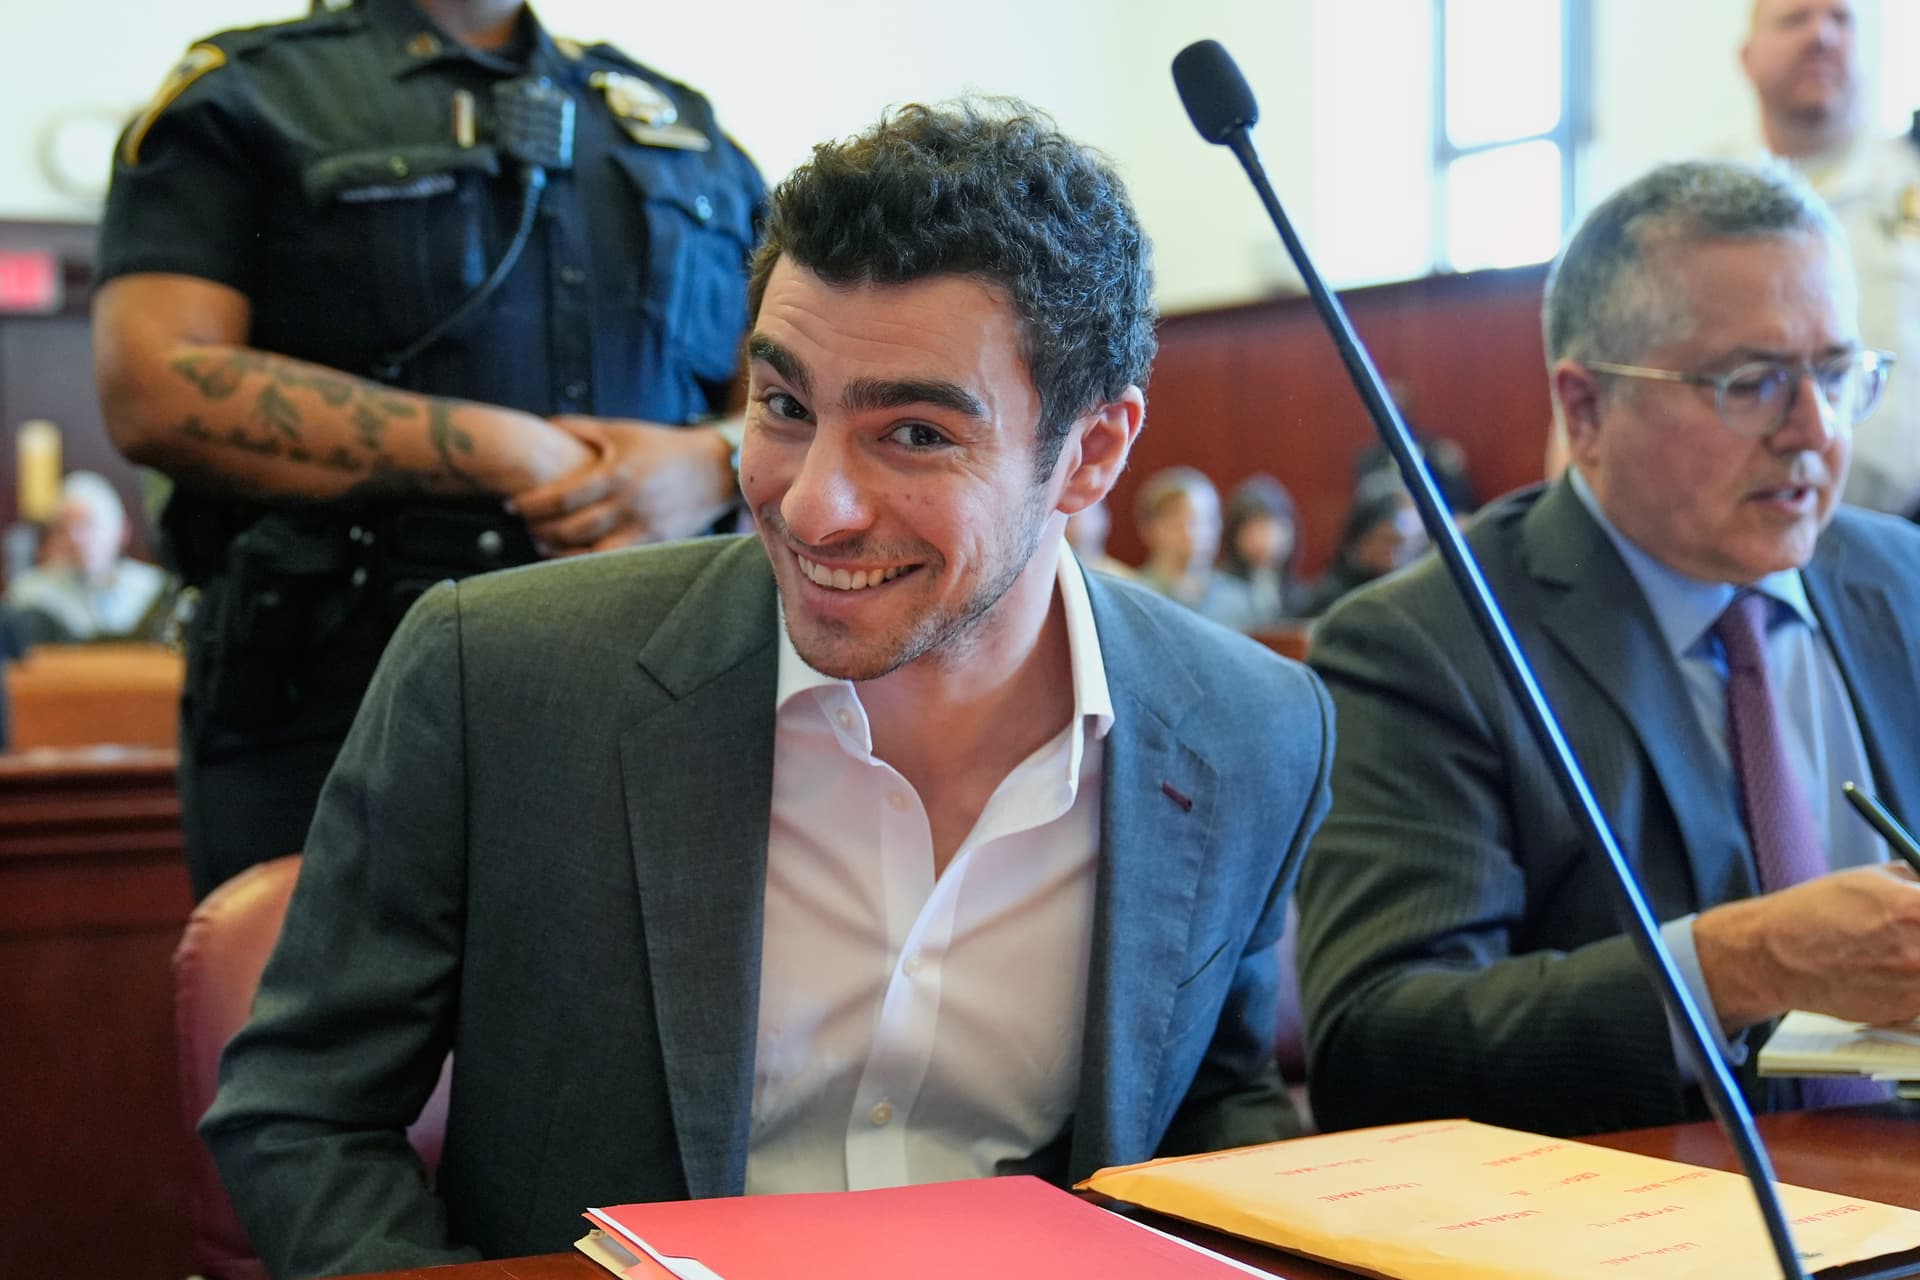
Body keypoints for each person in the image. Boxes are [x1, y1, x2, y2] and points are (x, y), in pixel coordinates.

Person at [202, 100, 1335, 1278]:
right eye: (786, 407)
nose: (809, 505)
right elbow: (299, 1112)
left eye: (914, 434)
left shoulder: (1253, 729)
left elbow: (1211, 1095)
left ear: (1093, 454)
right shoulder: (499, 677)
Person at [1296, 159, 1920, 1139]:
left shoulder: (1905, 583)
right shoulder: (1429, 642)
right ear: (1584, 409)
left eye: (1838, 374)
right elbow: (1379, 1051)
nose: (1814, 431)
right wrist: (1734, 965)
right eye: (1752, 383)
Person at [91, 0, 765, 899]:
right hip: (334, 695)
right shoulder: (246, 95)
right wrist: (501, 450)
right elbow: (155, 383)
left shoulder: (678, 126)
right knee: (331, 1024)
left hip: (654, 689)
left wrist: (711, 461)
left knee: (637, 1032)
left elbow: (791, 385)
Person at [1741, 0, 1920, 518]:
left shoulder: (1910, 175)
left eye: (1841, 19)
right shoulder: (1688, 202)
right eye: (1795, 19)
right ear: (1747, 56)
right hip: (1749, 518)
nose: (1821, 35)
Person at [4, 471, 174, 641]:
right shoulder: (31, 594)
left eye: (88, 524)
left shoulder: (155, 589)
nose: (75, 538)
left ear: (122, 531)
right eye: (64, 528)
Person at [1296, 477, 1426, 618]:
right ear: (1361, 538)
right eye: (1390, 540)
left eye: (1412, 543)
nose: (1401, 551)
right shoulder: (1332, 596)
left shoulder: (1415, 593)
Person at [1131, 465, 1240, 624]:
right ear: (1149, 528)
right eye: (1180, 522)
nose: (1195, 533)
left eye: (1207, 521)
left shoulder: (1238, 600)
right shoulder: (1133, 595)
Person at [1213, 473, 1303, 629]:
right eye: (1253, 530)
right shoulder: (1220, 593)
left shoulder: (1302, 596)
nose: (1264, 539)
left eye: (1270, 528)